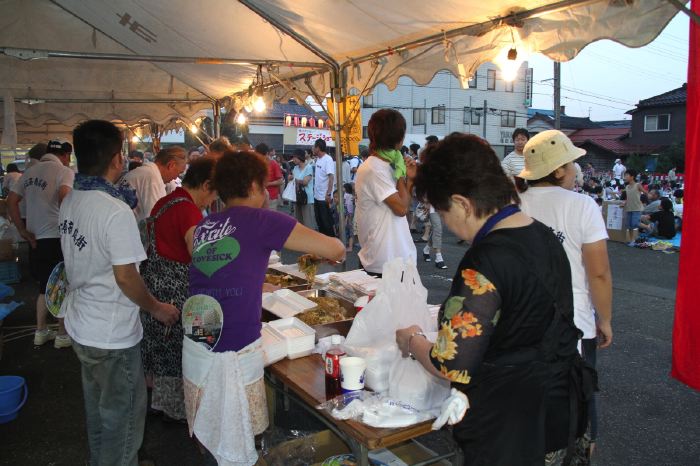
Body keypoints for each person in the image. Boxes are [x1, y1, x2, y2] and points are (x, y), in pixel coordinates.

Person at [396, 133, 591, 466]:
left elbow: (453, 364)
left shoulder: (486, 260)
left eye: (443, 213)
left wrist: (412, 340)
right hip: (560, 410)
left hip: (513, 427)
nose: (447, 223)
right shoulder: (542, 234)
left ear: (462, 204)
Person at [186, 150, 345, 465]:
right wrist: (324, 252)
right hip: (232, 348)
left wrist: (256, 284)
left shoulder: (201, 228)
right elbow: (336, 248)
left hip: (197, 338)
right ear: (256, 186)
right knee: (236, 439)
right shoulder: (262, 220)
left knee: (212, 428)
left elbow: (218, 272)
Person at [60, 120, 178, 466]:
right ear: (116, 159)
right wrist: (156, 308)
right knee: (124, 423)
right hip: (111, 336)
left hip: (83, 325)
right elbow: (126, 277)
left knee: (100, 415)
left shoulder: (73, 198)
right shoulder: (114, 211)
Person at [517, 129, 613, 452]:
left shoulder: (516, 205)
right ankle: (581, 452)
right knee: (581, 392)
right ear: (558, 170)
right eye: (572, 164)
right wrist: (606, 319)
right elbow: (598, 273)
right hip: (574, 325)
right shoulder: (583, 206)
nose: (575, 171)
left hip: (525, 322)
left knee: (532, 393)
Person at [140, 158, 218, 422]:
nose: (212, 200)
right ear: (206, 185)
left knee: (161, 350)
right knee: (178, 351)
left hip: (155, 285)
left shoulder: (165, 201)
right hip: (175, 290)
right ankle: (177, 413)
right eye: (214, 192)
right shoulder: (188, 210)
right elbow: (200, 255)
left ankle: (160, 404)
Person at [8, 140, 75, 348]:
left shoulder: (29, 172)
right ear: (64, 155)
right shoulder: (64, 171)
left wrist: (21, 230)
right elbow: (65, 198)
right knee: (61, 284)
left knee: (43, 286)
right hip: (56, 237)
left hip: (34, 238)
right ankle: (62, 334)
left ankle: (40, 330)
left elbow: (11, 201)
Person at [355, 109, 417, 277]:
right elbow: (402, 209)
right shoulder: (375, 169)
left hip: (396, 259)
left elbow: (403, 203)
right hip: (383, 263)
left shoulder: (387, 165)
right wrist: (402, 175)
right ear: (398, 139)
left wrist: (409, 180)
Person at [124, 146, 188, 223]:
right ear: (171, 165)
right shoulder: (152, 177)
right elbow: (157, 220)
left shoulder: (148, 172)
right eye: (179, 173)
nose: (175, 178)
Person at [312, 138, 336, 236]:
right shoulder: (318, 159)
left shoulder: (328, 159)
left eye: (314, 147)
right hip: (317, 196)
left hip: (324, 196)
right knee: (319, 221)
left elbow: (331, 177)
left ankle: (332, 243)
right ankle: (324, 244)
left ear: (318, 148)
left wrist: (329, 194)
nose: (312, 149)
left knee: (326, 222)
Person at [289, 149, 316, 229]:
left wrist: (294, 179)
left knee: (308, 223)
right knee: (299, 222)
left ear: (299, 157)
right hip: (297, 197)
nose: (293, 159)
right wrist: (291, 179)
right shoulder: (295, 168)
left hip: (306, 198)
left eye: (294, 157)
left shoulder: (309, 167)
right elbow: (294, 182)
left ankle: (310, 240)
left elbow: (305, 182)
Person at [255, 143, 284, 210]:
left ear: (266, 154)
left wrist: (267, 184)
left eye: (261, 156)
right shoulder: (257, 164)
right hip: (258, 197)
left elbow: (280, 181)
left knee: (270, 218)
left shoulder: (274, 164)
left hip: (271, 198)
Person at [622, 169, 646, 246]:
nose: (625, 177)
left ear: (632, 177)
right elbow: (628, 198)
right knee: (629, 226)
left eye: (626, 175)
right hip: (629, 208)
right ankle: (632, 240)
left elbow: (645, 192)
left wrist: (649, 195)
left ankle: (647, 226)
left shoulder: (637, 185)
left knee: (635, 223)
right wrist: (624, 203)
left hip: (637, 208)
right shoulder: (627, 186)